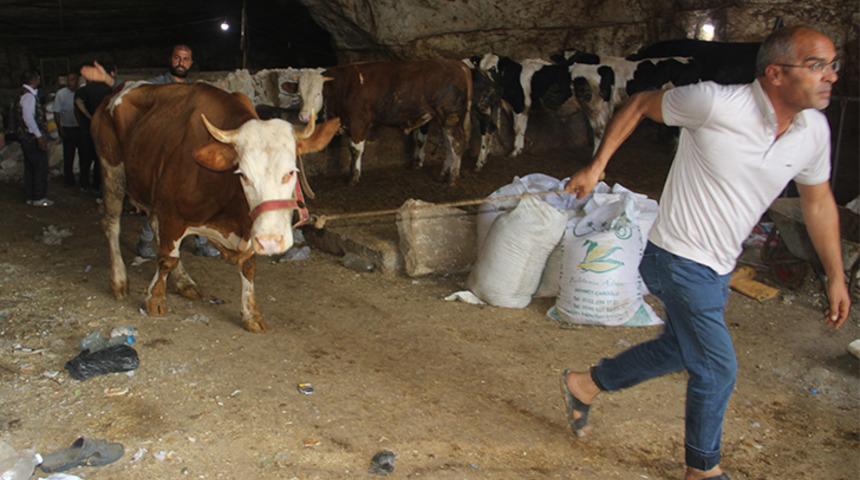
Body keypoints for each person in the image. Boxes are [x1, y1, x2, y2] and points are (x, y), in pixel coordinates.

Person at [559, 26, 850, 480]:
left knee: (680, 349)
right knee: (716, 367)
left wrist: (835, 274)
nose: (831, 75)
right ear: (775, 73)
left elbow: (817, 201)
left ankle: (585, 384)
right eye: (817, 66)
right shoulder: (715, 103)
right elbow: (639, 103)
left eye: (834, 65)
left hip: (717, 265)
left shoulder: (812, 131)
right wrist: (596, 167)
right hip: (674, 256)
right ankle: (703, 470)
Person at [80, 44, 220, 258]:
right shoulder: (157, 85)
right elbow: (133, 94)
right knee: (159, 198)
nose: (181, 62)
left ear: (191, 62)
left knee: (194, 196)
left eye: (186, 58)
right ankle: (146, 241)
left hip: (186, 152)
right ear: (171, 59)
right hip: (159, 151)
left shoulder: (194, 90)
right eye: (177, 57)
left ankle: (201, 242)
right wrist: (108, 81)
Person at [74, 62, 116, 196]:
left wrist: (89, 117)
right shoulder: (109, 91)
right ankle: (98, 185)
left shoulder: (82, 91)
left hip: (86, 131)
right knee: (100, 159)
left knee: (85, 159)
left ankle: (84, 184)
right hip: (103, 132)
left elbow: (78, 103)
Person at [15, 70, 53, 207]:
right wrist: (39, 136)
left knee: (30, 167)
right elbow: (28, 118)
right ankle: (39, 197)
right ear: (34, 80)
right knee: (40, 166)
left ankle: (31, 196)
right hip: (31, 137)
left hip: (25, 137)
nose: (39, 81)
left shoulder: (21, 93)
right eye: (38, 78)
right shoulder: (29, 97)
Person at [52, 71, 82, 187]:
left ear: (78, 80)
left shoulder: (82, 92)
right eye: (69, 80)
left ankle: (83, 180)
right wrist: (60, 129)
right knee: (68, 155)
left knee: (84, 155)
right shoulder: (61, 94)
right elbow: (56, 112)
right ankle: (69, 180)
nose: (71, 82)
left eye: (73, 79)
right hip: (67, 128)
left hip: (80, 129)